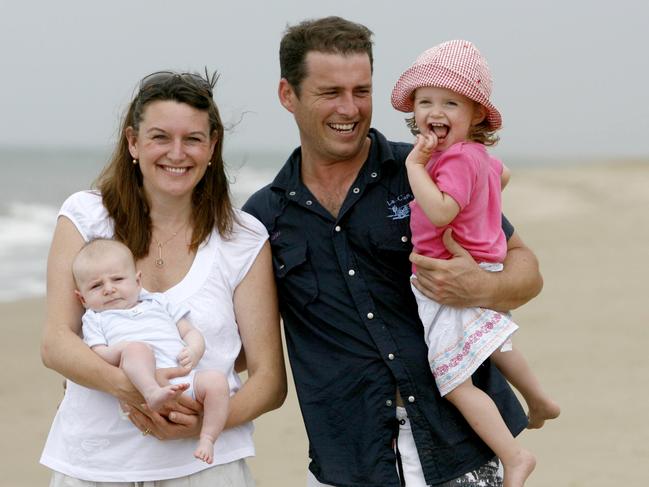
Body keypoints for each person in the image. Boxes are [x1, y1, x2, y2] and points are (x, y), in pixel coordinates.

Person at [243, 17, 543, 487]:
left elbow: (527, 271)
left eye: (361, 90)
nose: (351, 108)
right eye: (330, 92)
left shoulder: (427, 171)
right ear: (288, 94)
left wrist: (481, 286)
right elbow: (244, 344)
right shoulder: (262, 217)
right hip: (349, 463)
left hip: (458, 448)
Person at [41, 70, 287, 485]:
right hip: (92, 465)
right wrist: (134, 386)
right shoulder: (85, 216)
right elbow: (56, 343)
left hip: (205, 467)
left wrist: (201, 425)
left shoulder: (243, 239)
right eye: (160, 137)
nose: (177, 153)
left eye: (192, 138)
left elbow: (269, 381)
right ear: (133, 143)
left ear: (212, 147)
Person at [391, 40, 560, 487]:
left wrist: (414, 167)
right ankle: (540, 400)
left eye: (450, 102)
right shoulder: (478, 158)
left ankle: (514, 454)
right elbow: (501, 177)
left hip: (451, 273)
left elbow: (443, 211)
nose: (434, 110)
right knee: (492, 340)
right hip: (480, 264)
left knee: (453, 381)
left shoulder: (447, 161)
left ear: (477, 115)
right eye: (426, 101)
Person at [72, 238, 231, 464]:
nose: (109, 289)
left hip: (184, 377)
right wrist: (125, 350)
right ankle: (152, 392)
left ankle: (207, 437)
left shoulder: (158, 302)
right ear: (82, 298)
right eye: (96, 286)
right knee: (138, 348)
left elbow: (189, 331)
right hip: (141, 379)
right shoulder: (95, 319)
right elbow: (99, 354)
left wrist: (195, 349)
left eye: (117, 279)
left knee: (216, 381)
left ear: (137, 281)